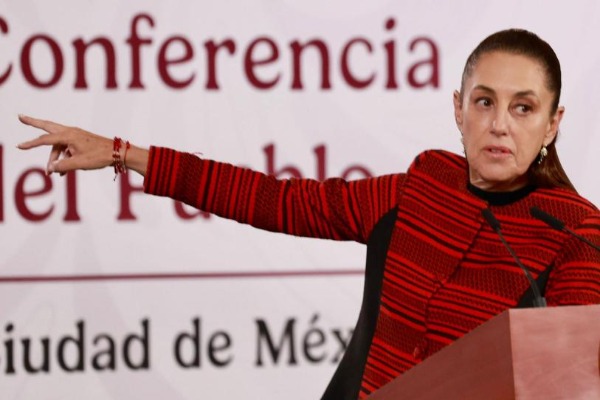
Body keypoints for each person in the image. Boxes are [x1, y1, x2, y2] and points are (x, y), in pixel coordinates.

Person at [17, 29, 600, 399]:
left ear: (553, 124)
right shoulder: (421, 187)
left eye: (523, 108)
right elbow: (275, 200)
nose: (499, 124)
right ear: (458, 109)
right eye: (485, 101)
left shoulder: (574, 231)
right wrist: (124, 153)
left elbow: (567, 384)